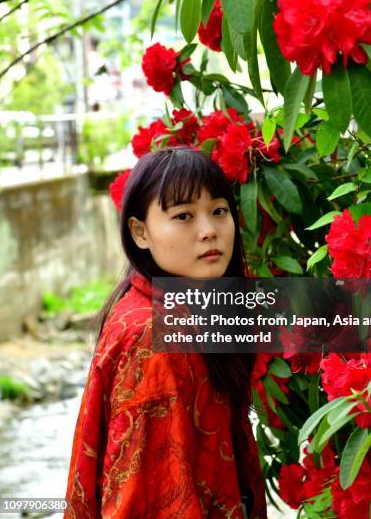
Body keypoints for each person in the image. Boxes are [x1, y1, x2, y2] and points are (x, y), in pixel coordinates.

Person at [64, 146, 268, 518]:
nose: (209, 232)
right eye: (184, 215)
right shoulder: (155, 340)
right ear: (140, 233)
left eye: (219, 211)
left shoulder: (170, 302)